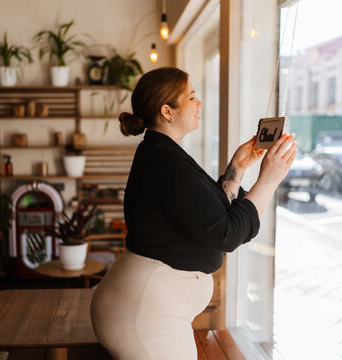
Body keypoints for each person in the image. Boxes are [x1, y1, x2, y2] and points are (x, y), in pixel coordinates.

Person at [90, 67, 297, 360]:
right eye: (191, 97)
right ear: (167, 111)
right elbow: (226, 233)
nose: (199, 103)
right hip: (144, 316)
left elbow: (207, 215)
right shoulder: (162, 160)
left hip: (143, 309)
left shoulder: (163, 152)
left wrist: (237, 168)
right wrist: (269, 180)